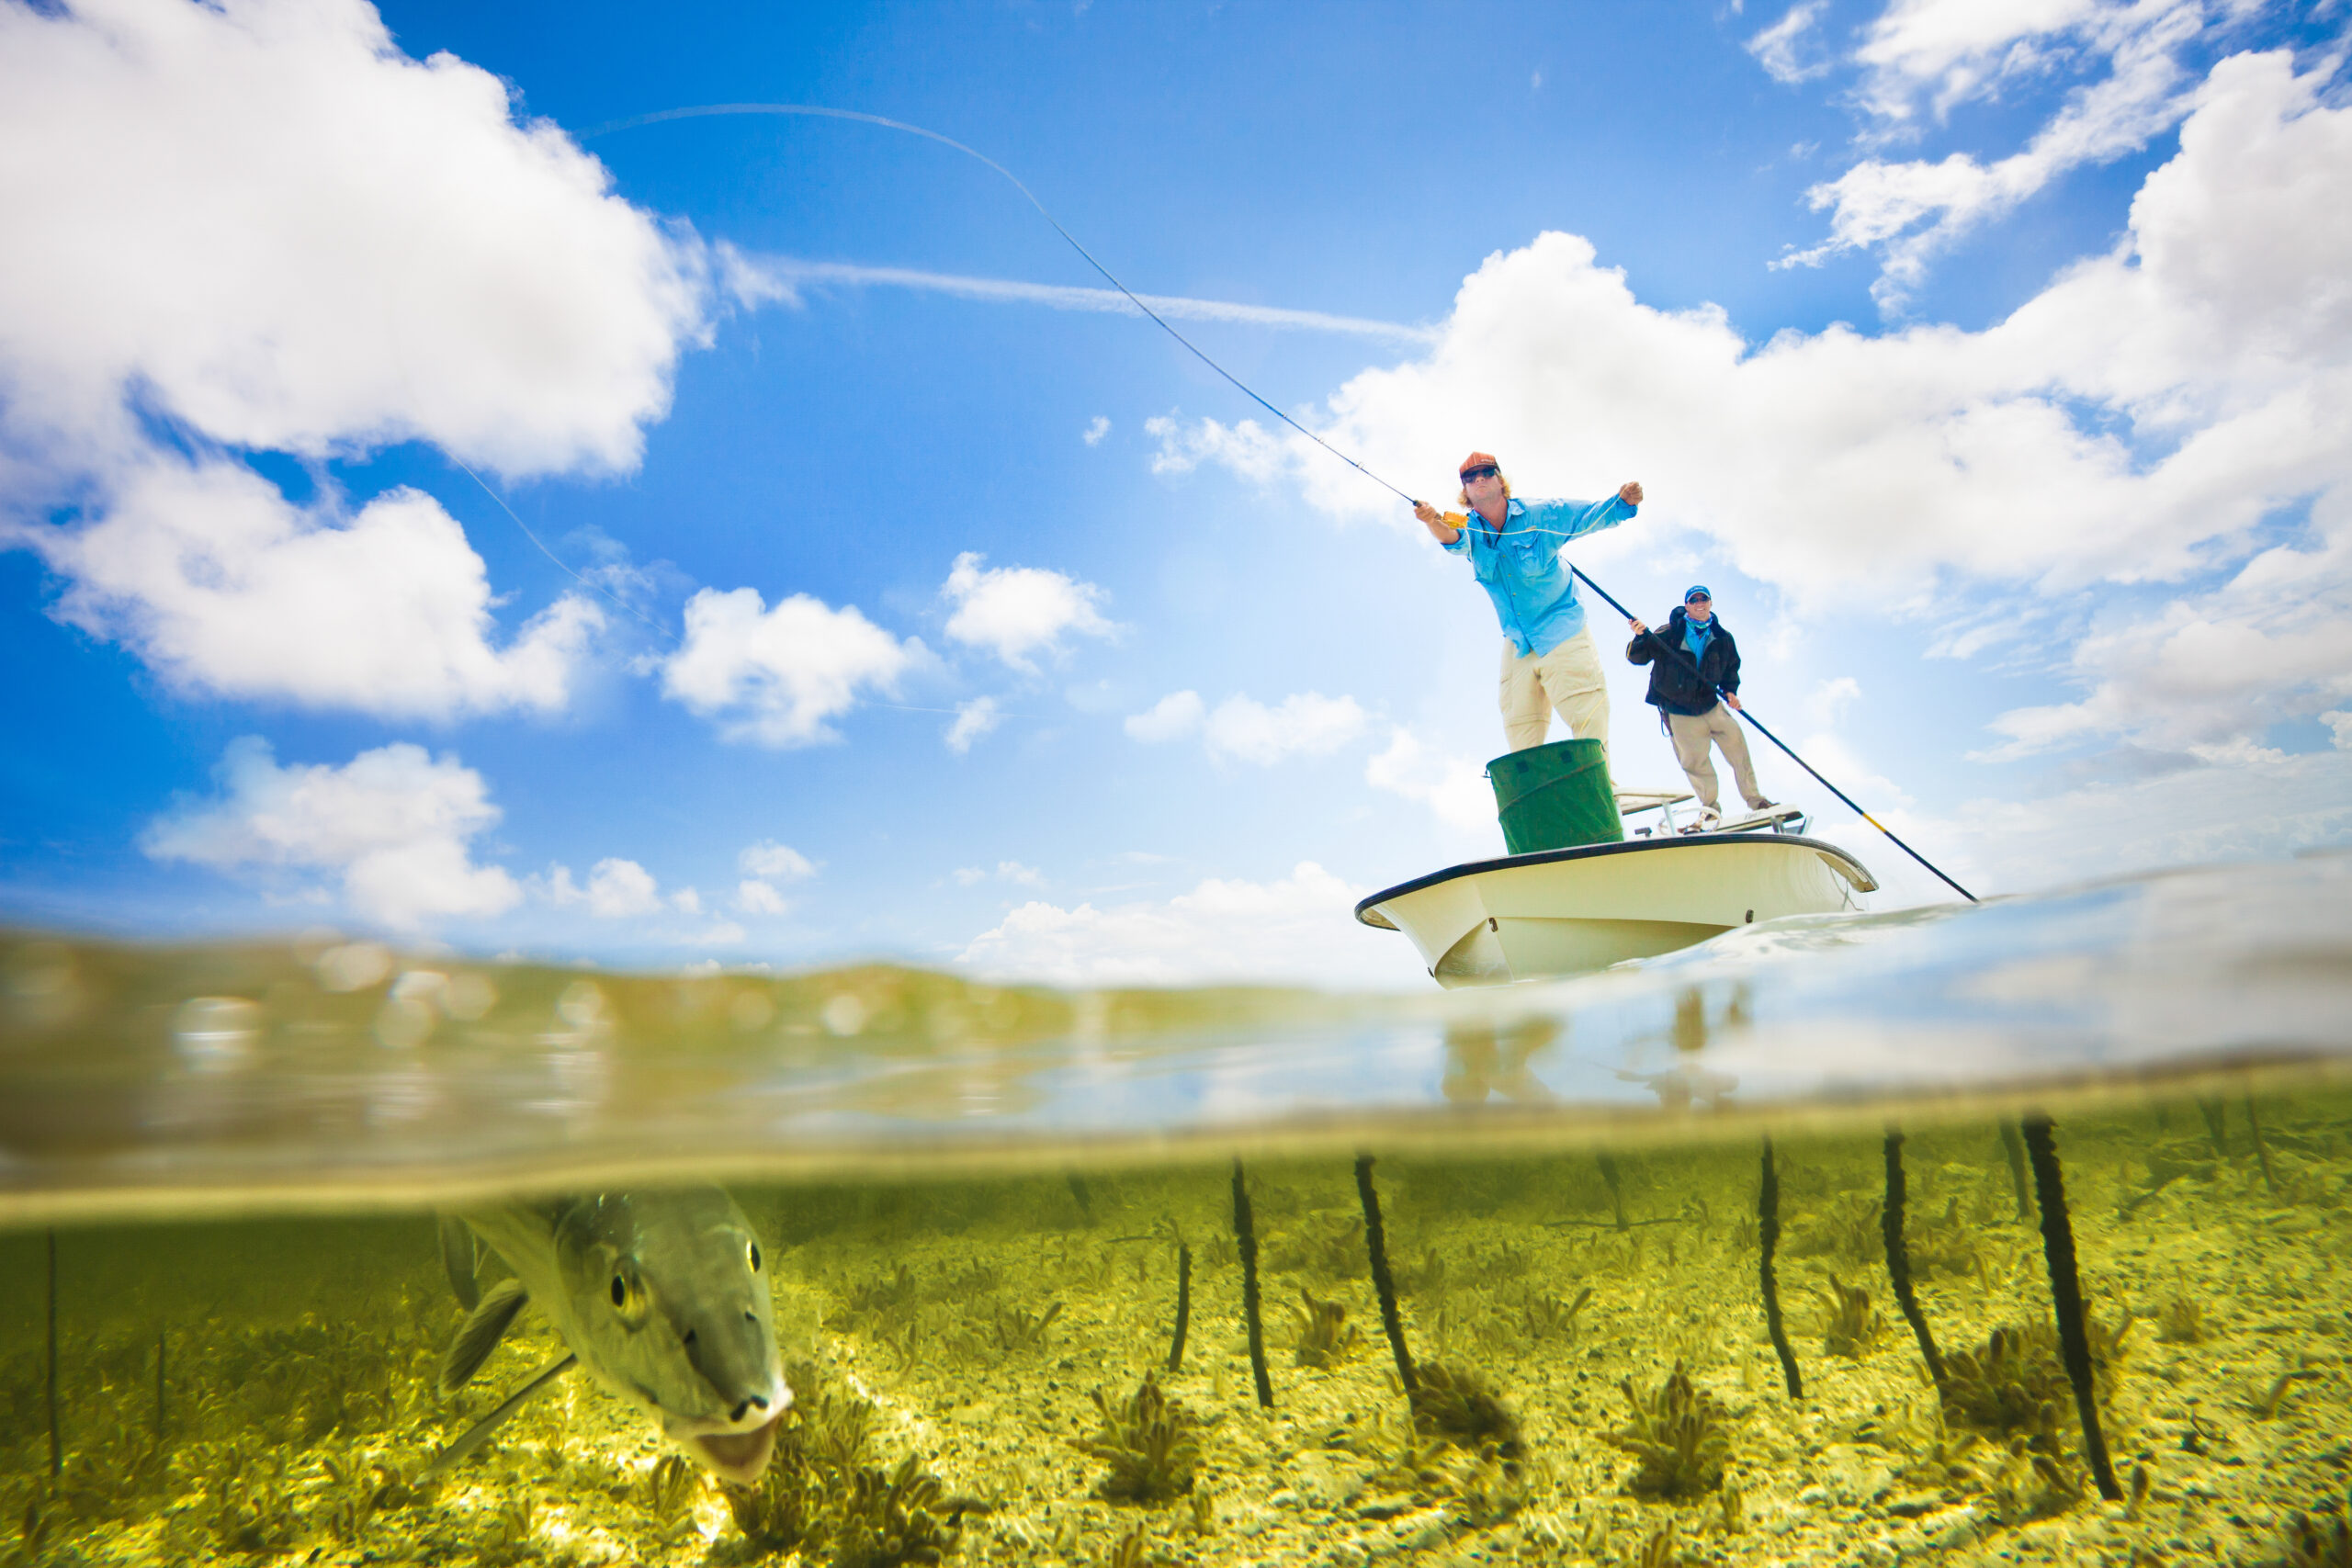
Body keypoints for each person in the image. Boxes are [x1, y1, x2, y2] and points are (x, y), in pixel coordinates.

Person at [1413, 452, 1644, 756]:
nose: (1478, 479)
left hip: (1562, 629)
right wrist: (1431, 521)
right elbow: (1453, 539)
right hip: (1518, 641)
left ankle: (1600, 793)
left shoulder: (1542, 513)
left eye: (1486, 472)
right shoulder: (1467, 526)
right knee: (1518, 729)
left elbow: (1588, 516)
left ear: (1500, 480)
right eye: (1470, 477)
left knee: (1589, 719)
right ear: (1465, 492)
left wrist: (1624, 501)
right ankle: (1534, 801)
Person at [1626, 585, 1774, 832]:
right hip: (1679, 711)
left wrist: (1730, 692)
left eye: (1703, 599)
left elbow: (1731, 669)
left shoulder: (1723, 638)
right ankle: (1710, 811)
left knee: (1739, 750)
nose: (1699, 603)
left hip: (1711, 706)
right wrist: (1641, 636)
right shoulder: (1669, 633)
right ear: (1687, 606)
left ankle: (1757, 801)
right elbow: (1637, 657)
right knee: (1696, 763)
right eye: (1693, 600)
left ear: (1710, 603)